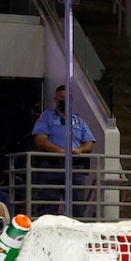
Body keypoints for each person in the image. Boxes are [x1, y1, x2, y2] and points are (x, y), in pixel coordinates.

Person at [31, 85, 97, 216]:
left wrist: (79, 150)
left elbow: (90, 143)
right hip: (52, 167)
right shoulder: (46, 117)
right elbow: (40, 139)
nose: (65, 101)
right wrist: (60, 151)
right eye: (62, 98)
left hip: (75, 168)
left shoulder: (79, 121)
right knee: (48, 211)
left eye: (68, 98)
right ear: (56, 100)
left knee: (77, 210)